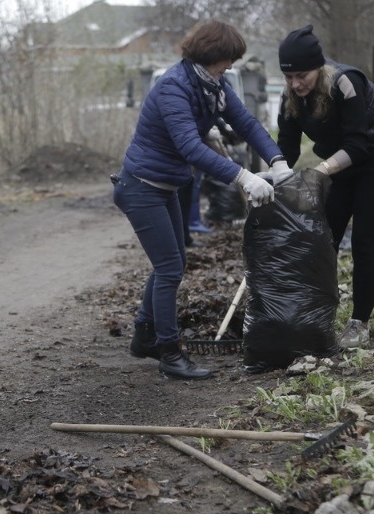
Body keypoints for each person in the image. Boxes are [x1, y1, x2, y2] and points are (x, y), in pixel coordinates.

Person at [112, 19, 293, 380]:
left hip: (167, 187)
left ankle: (144, 335)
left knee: (173, 260)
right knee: (169, 269)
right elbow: (190, 147)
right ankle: (168, 353)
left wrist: (278, 160)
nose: (231, 66)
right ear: (211, 55)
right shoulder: (173, 88)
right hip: (141, 187)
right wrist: (242, 176)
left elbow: (247, 124)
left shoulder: (212, 85)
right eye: (227, 59)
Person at [276, 25, 374, 348]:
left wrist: (320, 171)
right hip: (341, 162)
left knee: (365, 240)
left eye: (302, 75)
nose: (296, 83)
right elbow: (287, 149)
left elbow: (358, 144)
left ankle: (358, 322)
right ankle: (316, 311)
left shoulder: (346, 83)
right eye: (288, 77)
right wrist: (273, 173)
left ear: (318, 66)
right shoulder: (291, 96)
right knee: (324, 237)